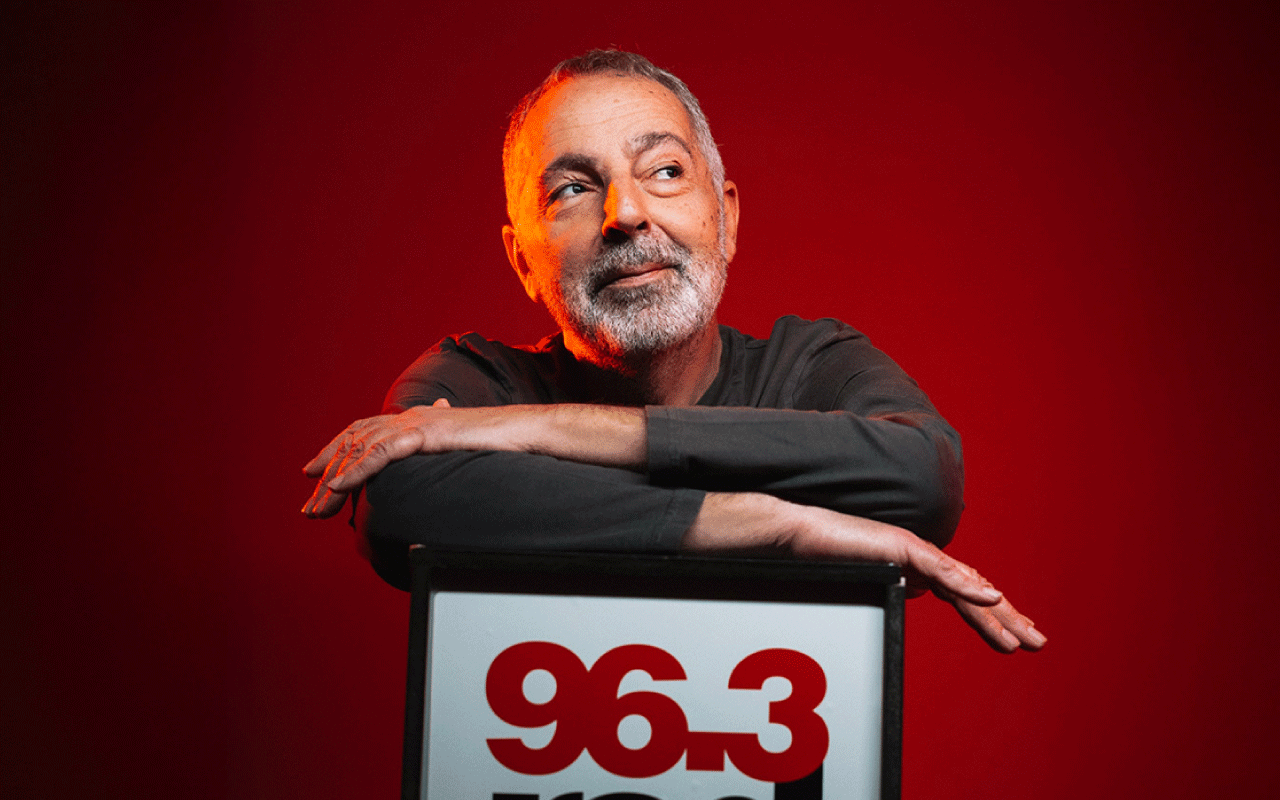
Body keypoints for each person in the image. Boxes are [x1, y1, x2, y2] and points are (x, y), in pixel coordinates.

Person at [302, 50, 1045, 653]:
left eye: (664, 171)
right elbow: (398, 503)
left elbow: (923, 478)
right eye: (571, 190)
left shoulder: (812, 367)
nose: (626, 213)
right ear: (522, 261)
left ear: (726, 218)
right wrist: (773, 525)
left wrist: (539, 429)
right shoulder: (474, 380)